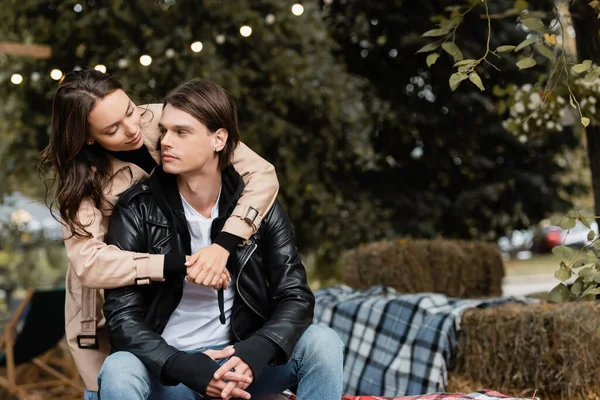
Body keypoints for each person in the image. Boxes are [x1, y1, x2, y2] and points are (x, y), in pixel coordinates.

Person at [39, 70, 280, 398]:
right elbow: (89, 262)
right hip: (114, 298)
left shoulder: (167, 120)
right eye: (113, 129)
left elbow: (262, 174)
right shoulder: (81, 179)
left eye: (129, 109)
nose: (133, 127)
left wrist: (224, 243)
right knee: (113, 381)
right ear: (89, 138)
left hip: (187, 298)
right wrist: (173, 265)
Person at [99, 78, 344, 399]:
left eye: (181, 132)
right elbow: (122, 317)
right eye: (164, 131)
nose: (164, 142)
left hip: (238, 364)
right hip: (172, 371)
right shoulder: (137, 208)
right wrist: (182, 366)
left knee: (322, 342)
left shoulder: (258, 206)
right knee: (118, 368)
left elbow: (295, 296)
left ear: (218, 139)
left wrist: (255, 352)